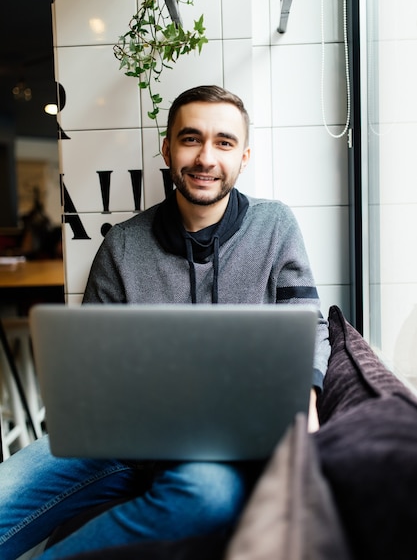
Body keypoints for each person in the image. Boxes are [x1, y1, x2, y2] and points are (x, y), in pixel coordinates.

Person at [0, 85, 330, 559]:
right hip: (120, 439)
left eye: (224, 142)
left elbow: (309, 325)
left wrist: (308, 396)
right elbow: (91, 361)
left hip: (219, 442)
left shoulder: (275, 226)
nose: (205, 157)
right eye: (191, 139)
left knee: (208, 496)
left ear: (244, 156)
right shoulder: (123, 246)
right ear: (168, 148)